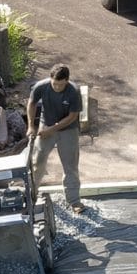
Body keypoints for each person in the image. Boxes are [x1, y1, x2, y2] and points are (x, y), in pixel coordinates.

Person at [28, 64, 85, 214]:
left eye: (61, 84)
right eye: (54, 83)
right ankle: (31, 195)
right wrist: (31, 126)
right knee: (37, 162)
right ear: (50, 78)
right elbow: (32, 103)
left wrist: (51, 130)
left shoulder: (74, 91)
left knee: (70, 166)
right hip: (45, 124)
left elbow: (72, 116)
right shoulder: (42, 86)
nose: (57, 87)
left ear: (67, 80)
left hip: (68, 130)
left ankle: (74, 201)